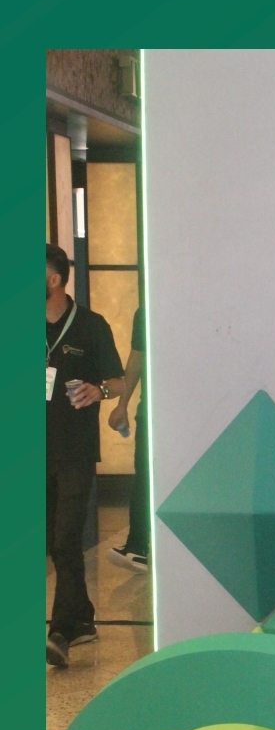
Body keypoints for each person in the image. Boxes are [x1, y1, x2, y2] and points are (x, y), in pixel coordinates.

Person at [46, 243, 124, 668]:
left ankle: (60, 631)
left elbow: (118, 381)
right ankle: (83, 618)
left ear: (54, 279)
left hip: (75, 451)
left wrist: (101, 390)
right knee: (52, 542)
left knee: (66, 538)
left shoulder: (91, 326)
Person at [106, 302, 149, 572]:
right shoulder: (146, 311)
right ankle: (137, 547)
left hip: (187, 414)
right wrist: (122, 405)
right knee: (144, 477)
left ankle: (139, 547)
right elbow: (137, 358)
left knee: (147, 478)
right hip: (152, 411)